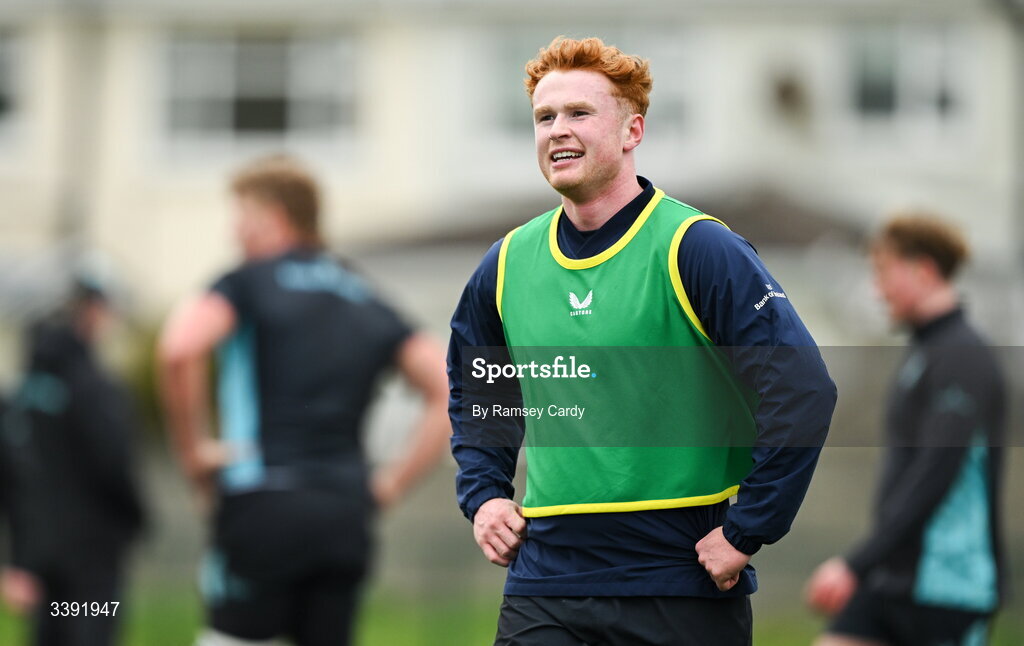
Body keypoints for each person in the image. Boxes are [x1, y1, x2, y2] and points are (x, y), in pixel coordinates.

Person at [448, 36, 837, 645]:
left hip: (677, 579)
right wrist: (486, 493)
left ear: (633, 131)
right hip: (546, 581)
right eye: (544, 117)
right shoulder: (506, 264)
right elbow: (480, 390)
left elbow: (802, 390)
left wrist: (748, 529)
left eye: (579, 113)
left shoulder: (698, 247)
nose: (557, 130)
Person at [157, 155, 451, 646]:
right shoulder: (365, 295)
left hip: (263, 503)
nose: (235, 233)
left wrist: (193, 455)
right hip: (345, 514)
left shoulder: (248, 282)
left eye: (242, 215)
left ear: (272, 215)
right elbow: (449, 385)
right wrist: (391, 485)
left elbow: (178, 349)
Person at [805, 215, 1006, 646]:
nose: (878, 289)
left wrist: (856, 563)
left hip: (948, 585)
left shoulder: (962, 356)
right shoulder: (927, 352)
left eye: (884, 272)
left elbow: (936, 473)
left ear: (924, 269)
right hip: (896, 576)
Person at [0, 279, 147, 646]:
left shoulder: (22, 393)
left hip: (42, 555)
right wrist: (136, 518)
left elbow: (11, 478)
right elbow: (114, 462)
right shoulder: (95, 389)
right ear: (91, 313)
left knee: (51, 633)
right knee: (92, 629)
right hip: (92, 555)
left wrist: (18, 559)